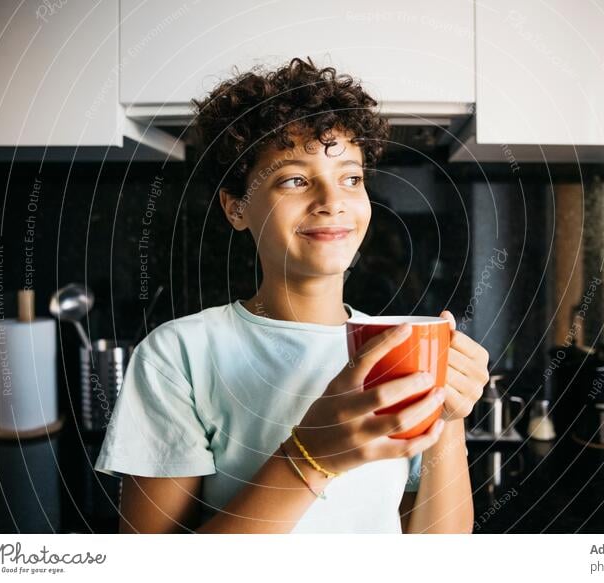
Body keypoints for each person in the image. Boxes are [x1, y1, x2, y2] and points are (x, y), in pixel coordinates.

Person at [94, 57, 489, 533]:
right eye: (295, 180)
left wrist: (449, 420)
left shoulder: (396, 350)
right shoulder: (177, 356)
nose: (333, 201)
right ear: (236, 207)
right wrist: (309, 457)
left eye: (351, 177)